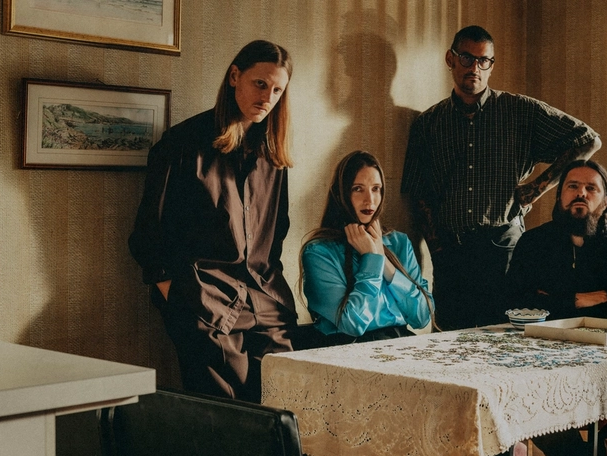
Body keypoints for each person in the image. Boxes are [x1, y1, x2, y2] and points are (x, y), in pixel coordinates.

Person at [401, 25, 603, 333]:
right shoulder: (428, 124)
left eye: (485, 61)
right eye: (467, 58)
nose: (475, 68)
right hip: (452, 255)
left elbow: (588, 140)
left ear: (492, 65)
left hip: (506, 250)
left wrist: (539, 186)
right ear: (450, 59)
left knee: (511, 340)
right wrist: (437, 251)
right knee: (453, 346)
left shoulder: (519, 111)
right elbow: (419, 195)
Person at [128, 40, 298, 403]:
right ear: (235, 76)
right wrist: (174, 292)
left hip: (265, 301)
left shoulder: (274, 157)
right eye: (260, 83)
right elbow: (147, 235)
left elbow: (276, 236)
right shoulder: (182, 144)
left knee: (284, 407)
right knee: (228, 420)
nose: (268, 96)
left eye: (278, 89)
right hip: (205, 302)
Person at [506, 159, 607, 456]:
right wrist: (591, 297)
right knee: (532, 405)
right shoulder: (533, 242)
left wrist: (553, 300)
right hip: (545, 359)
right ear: (560, 197)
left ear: (604, 202)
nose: (581, 193)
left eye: (591, 188)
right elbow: (517, 302)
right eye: (572, 186)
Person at [300, 150, 433, 345]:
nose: (369, 200)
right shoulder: (319, 252)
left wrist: (384, 261)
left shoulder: (399, 242)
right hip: (347, 349)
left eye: (376, 188)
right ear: (342, 193)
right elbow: (352, 323)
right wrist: (371, 260)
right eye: (358, 189)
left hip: (400, 344)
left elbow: (422, 316)